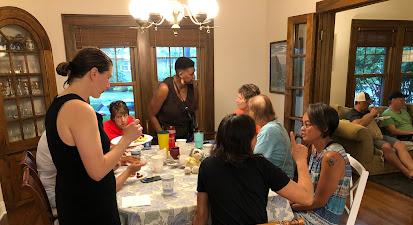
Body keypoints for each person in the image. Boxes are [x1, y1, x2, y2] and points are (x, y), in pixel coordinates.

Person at [45, 47, 143, 225]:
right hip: (89, 206)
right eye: (108, 77)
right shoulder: (80, 109)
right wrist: (127, 138)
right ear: (94, 73)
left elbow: (77, 159)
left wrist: (111, 158)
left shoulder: (59, 102)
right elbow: (97, 171)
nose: (108, 85)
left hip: (73, 197)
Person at [193, 114, 314, 225]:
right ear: (249, 140)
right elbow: (307, 199)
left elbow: (201, 216)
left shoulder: (207, 165)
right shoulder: (262, 166)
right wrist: (301, 160)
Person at [36, 131, 146, 208]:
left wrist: (111, 163)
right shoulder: (63, 135)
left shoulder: (57, 131)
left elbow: (88, 163)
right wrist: (129, 171)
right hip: (59, 197)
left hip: (59, 189)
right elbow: (105, 185)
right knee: (106, 193)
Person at [292, 103, 352, 225]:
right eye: (303, 124)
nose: (302, 128)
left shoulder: (332, 157)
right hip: (309, 208)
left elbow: (318, 202)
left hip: (320, 219)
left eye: (307, 125)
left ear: (324, 128)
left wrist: (291, 206)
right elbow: (308, 188)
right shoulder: (315, 148)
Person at [347, 92, 413, 178]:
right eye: (367, 103)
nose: (369, 105)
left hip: (379, 135)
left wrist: (377, 120)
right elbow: (358, 124)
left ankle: (412, 169)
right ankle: (405, 171)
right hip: (369, 138)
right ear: (359, 102)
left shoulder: (367, 111)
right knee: (386, 147)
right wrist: (371, 114)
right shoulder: (352, 113)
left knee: (400, 144)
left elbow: (373, 123)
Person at [147, 57, 199, 141]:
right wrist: (163, 137)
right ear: (181, 74)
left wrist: (196, 133)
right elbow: (151, 114)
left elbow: (196, 109)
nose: (194, 76)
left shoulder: (193, 87)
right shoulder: (164, 88)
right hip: (168, 138)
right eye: (191, 74)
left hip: (188, 137)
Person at [248, 94, 295, 179]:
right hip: (283, 177)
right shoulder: (276, 125)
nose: (248, 113)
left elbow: (255, 160)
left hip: (279, 182)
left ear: (256, 113)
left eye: (250, 110)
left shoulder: (268, 130)